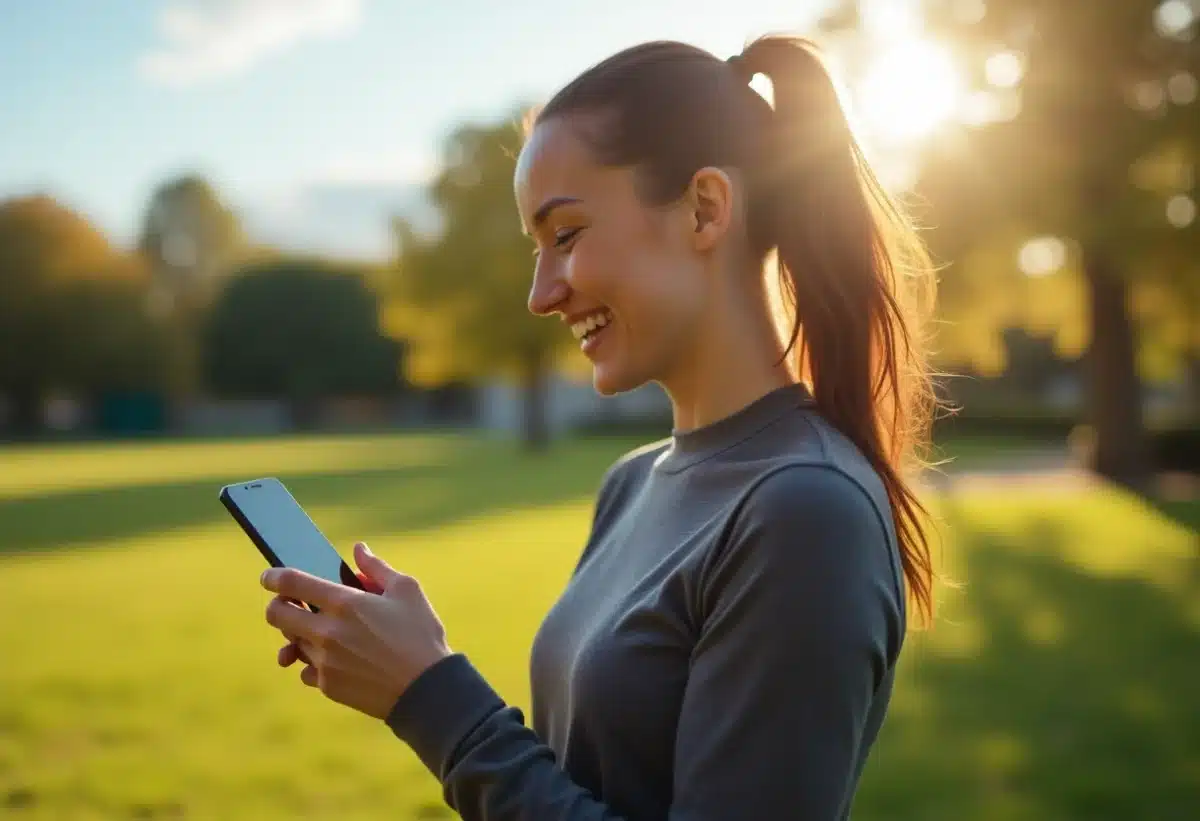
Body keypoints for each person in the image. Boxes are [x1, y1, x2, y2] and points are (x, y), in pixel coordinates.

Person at [260, 34, 939, 821]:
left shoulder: (804, 511)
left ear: (706, 208)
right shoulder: (633, 482)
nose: (542, 293)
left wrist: (431, 695)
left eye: (567, 235)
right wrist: (413, 666)